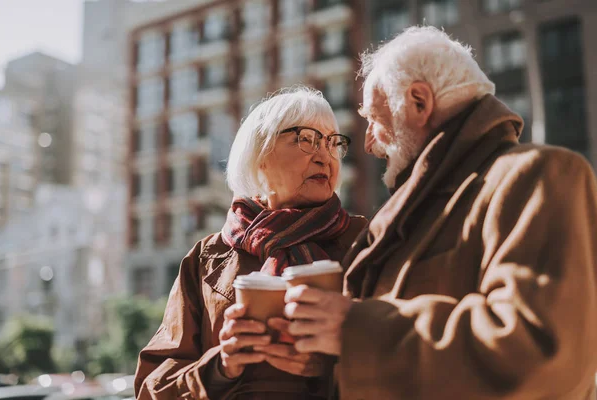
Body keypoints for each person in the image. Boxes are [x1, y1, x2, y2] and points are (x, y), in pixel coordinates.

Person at [282, 26, 597, 399]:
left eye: (374, 120)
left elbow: (542, 349)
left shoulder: (539, 174)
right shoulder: (415, 211)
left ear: (418, 102)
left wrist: (355, 329)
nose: (368, 143)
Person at [134, 87, 367, 400]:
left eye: (332, 142)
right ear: (260, 157)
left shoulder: (366, 242)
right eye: (306, 139)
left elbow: (409, 356)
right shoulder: (207, 257)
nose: (324, 156)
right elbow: (152, 387)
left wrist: (335, 364)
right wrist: (219, 367)